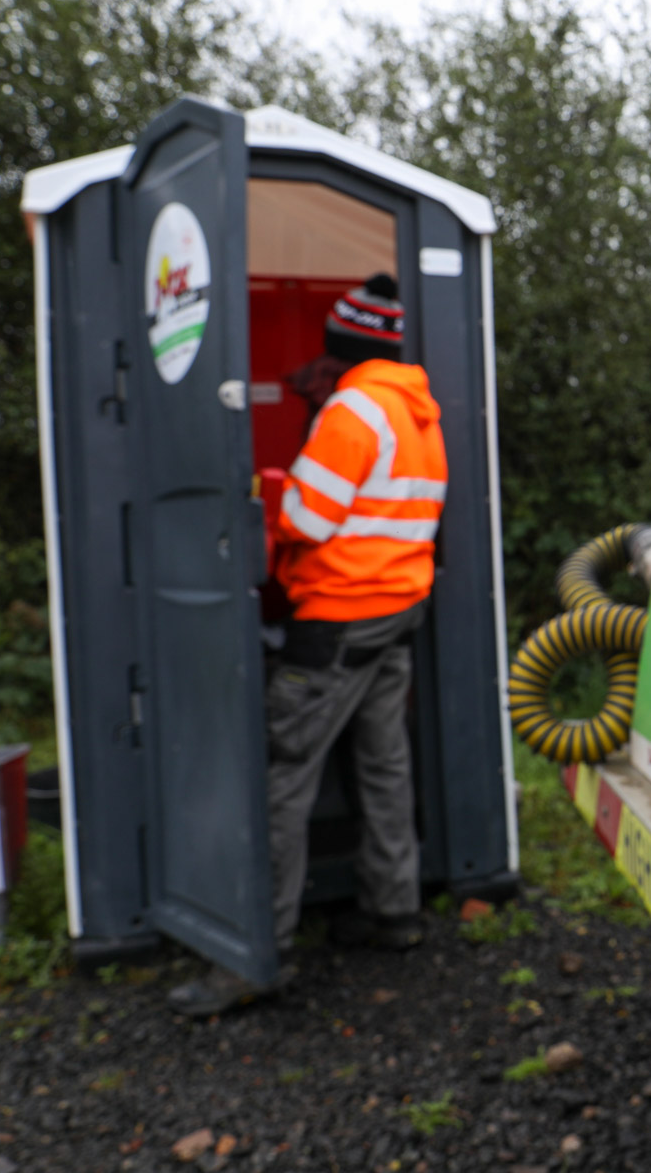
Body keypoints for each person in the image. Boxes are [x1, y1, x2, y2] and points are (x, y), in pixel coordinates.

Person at [169, 273, 447, 1016]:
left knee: (283, 771)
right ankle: (397, 914)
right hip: (398, 608)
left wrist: (269, 493)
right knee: (384, 763)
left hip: (340, 613)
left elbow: (309, 519)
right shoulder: (415, 407)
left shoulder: (352, 410)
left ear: (343, 348)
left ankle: (257, 953)